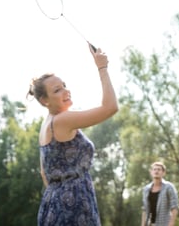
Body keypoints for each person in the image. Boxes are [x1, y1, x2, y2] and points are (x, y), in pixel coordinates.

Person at [28, 44, 118, 226]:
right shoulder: (62, 120)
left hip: (52, 204)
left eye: (64, 86)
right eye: (57, 90)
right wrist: (102, 67)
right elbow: (111, 107)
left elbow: (44, 172)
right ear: (44, 100)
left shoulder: (46, 125)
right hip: (75, 206)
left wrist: (61, 197)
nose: (65, 91)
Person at [141, 161, 179, 226]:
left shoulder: (169, 187)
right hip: (149, 224)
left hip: (164, 223)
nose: (156, 171)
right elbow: (144, 209)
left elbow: (175, 207)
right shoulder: (146, 189)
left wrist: (171, 224)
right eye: (154, 169)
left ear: (163, 173)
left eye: (159, 169)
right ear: (151, 172)